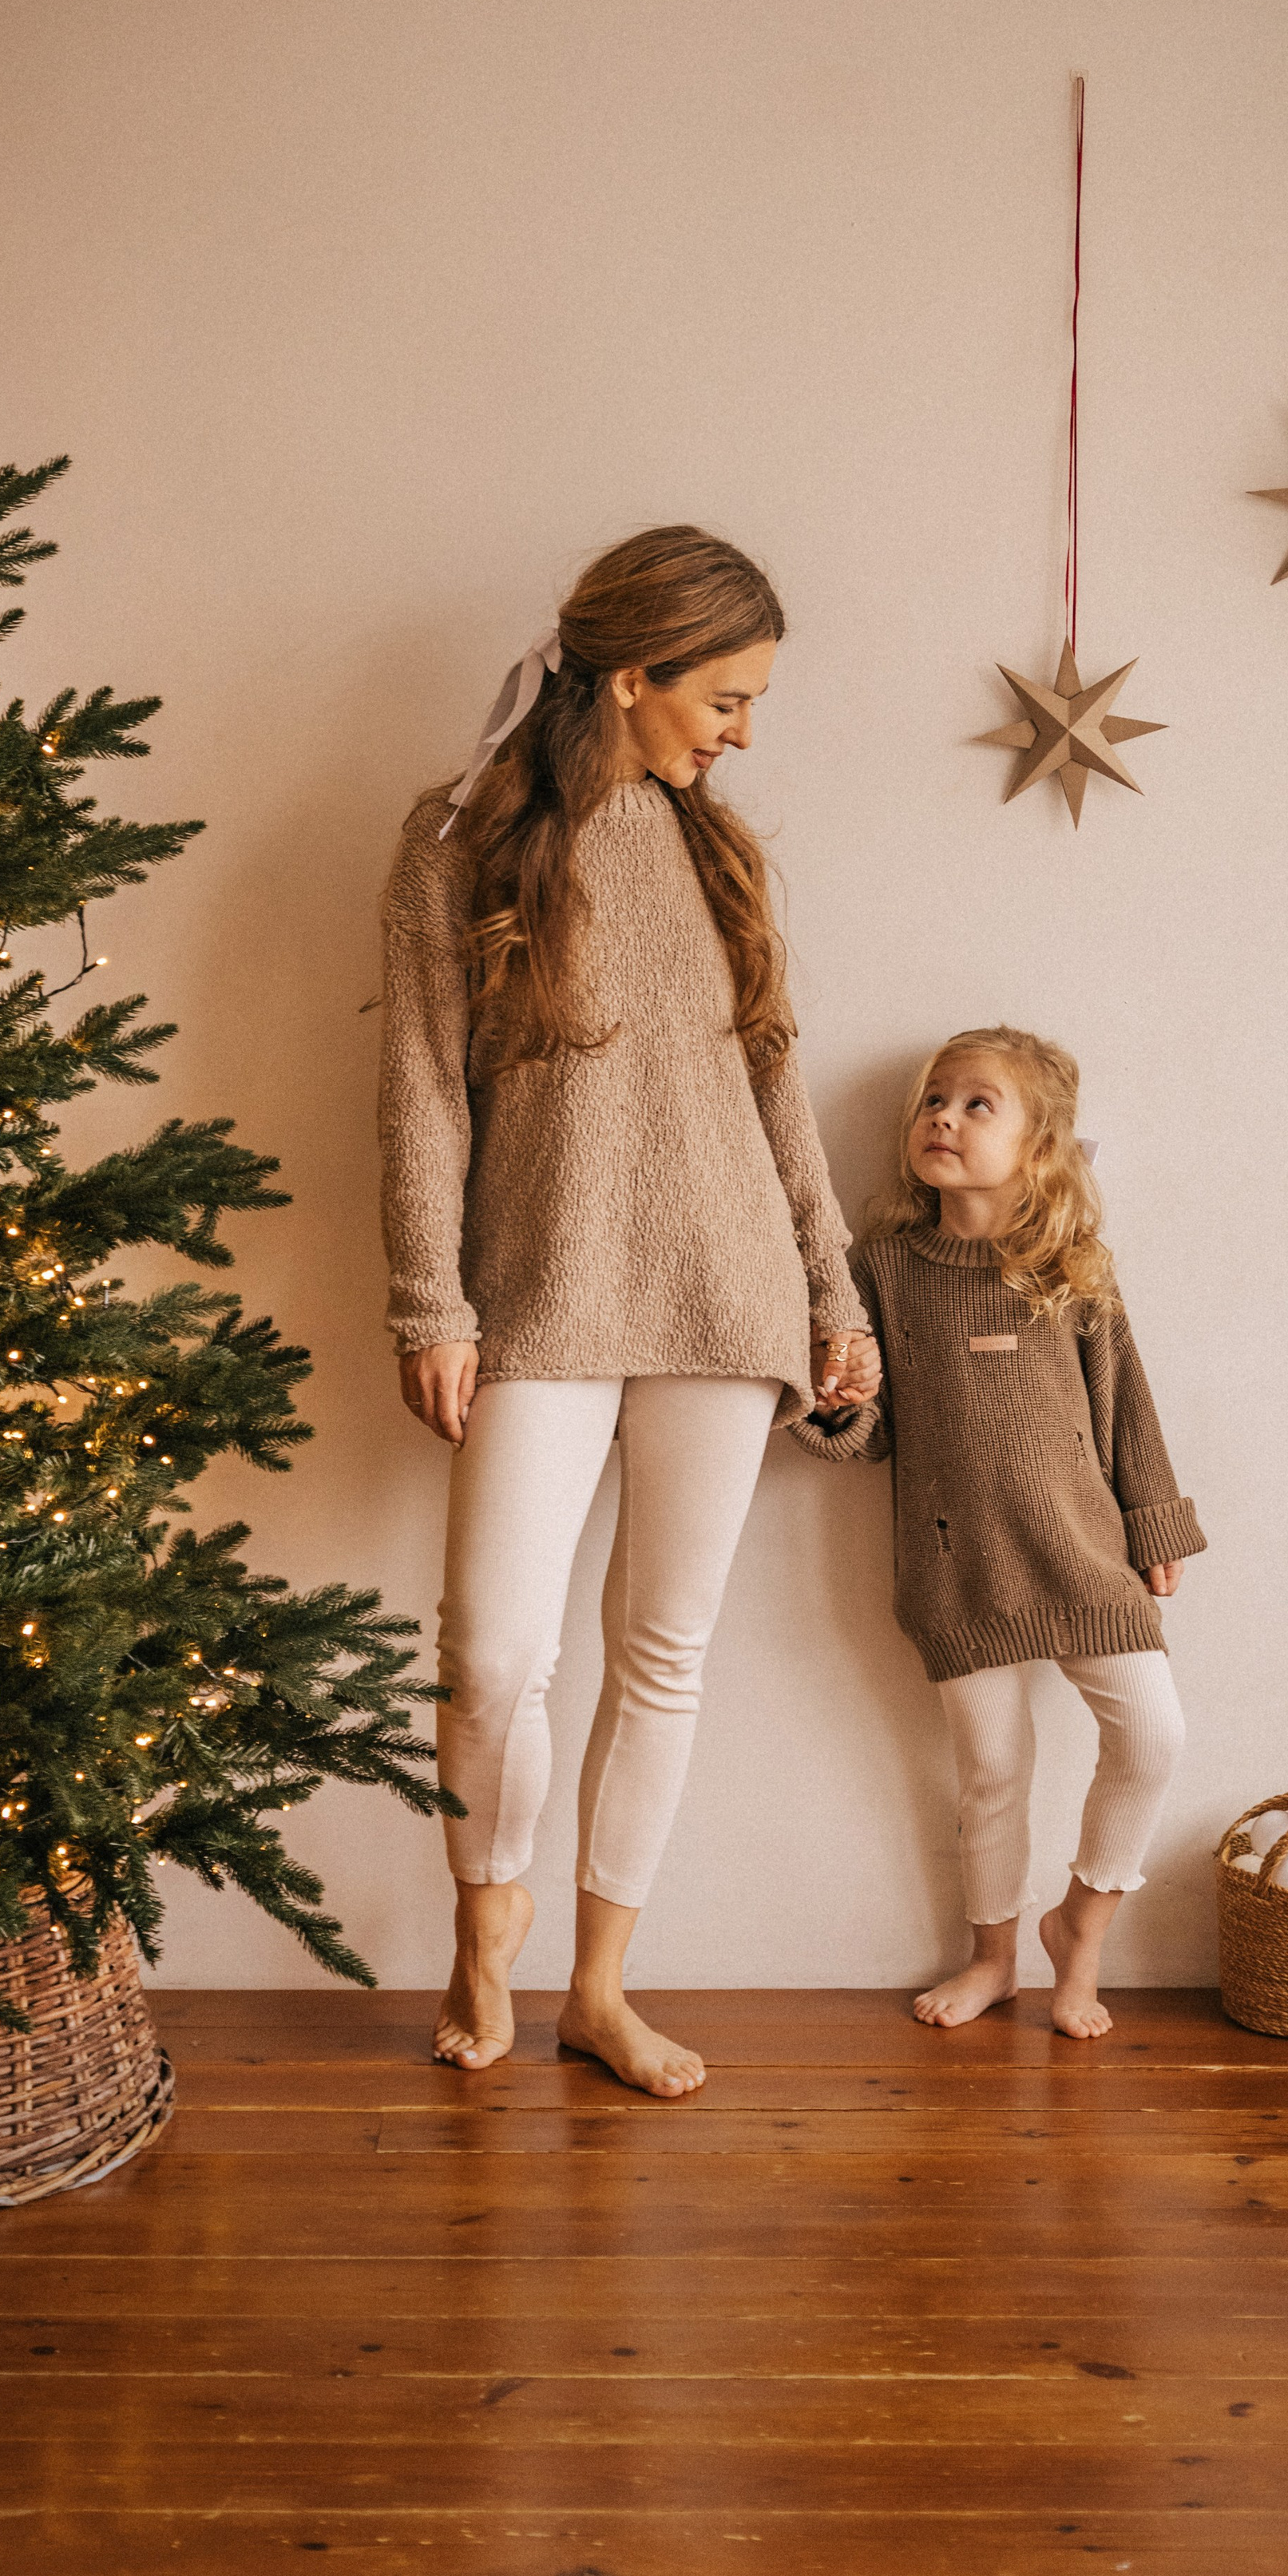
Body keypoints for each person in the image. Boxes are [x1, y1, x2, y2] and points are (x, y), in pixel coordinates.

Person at [379, 525, 878, 2098]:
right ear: (629, 674)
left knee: (661, 1654)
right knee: (491, 1655)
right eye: (723, 698)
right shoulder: (458, 834)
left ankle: (598, 1983)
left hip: (727, 1293)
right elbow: (415, 1082)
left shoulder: (715, 852)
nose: (740, 732)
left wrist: (830, 1290)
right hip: (540, 1287)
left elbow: (771, 1080)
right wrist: (426, 1299)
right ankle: (489, 1917)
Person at [793, 1025, 1203, 2039]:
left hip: (1081, 1551)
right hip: (955, 1564)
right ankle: (992, 1958)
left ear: (1039, 1144)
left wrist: (1154, 1518)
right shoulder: (880, 1271)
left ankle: (1082, 1933)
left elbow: (1127, 1407)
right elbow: (868, 1430)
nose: (946, 1117)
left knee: (1153, 1736)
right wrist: (831, 1402)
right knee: (990, 1770)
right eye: (936, 1100)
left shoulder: (1071, 1269)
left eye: (980, 1104)